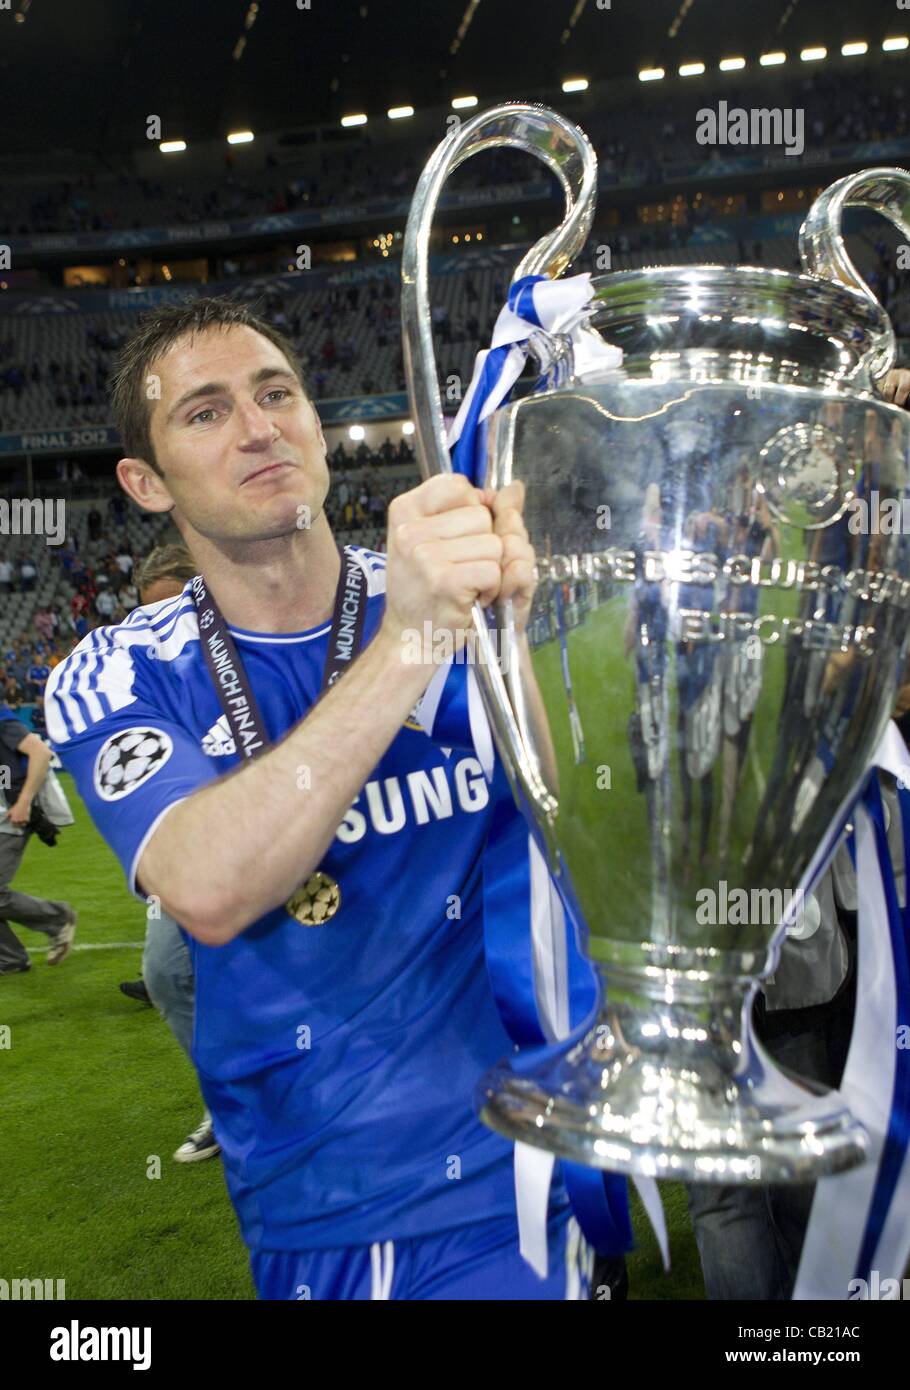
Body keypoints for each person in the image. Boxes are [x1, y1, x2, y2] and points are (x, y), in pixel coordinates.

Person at [47, 297, 590, 1300]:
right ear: (145, 482)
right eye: (204, 413)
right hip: (318, 1203)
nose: (257, 427)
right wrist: (408, 645)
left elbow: (578, 818)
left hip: (526, 1171)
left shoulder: (448, 594)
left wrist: (531, 633)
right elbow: (207, 886)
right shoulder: (119, 673)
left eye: (276, 393)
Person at [117, 542, 221, 1165]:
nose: (158, 625)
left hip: (267, 841)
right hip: (187, 851)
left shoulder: (250, 648)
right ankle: (225, 1103)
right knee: (164, 972)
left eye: (171, 607)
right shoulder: (143, 671)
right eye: (144, 613)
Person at [0, 703, 77, 975]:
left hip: (11, 815)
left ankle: (57, 919)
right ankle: (10, 960)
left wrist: (23, 802)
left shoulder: (4, 721)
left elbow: (40, 753)